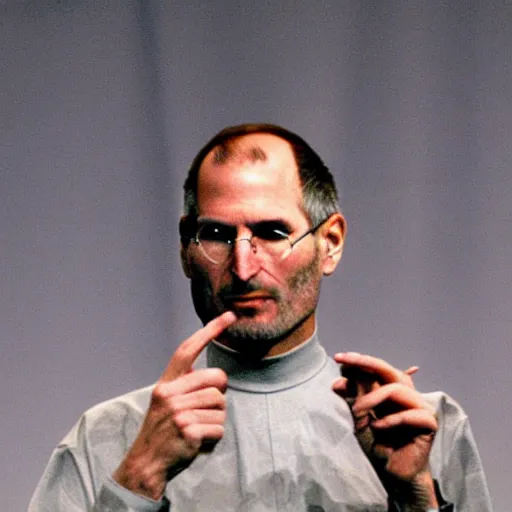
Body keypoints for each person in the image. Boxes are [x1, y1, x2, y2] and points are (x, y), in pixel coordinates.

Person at [30, 123, 492, 511]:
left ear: (329, 242)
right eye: (216, 234)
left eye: (272, 233)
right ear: (185, 248)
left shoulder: (426, 430)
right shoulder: (105, 440)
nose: (244, 267)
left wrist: (414, 497)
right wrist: (138, 479)